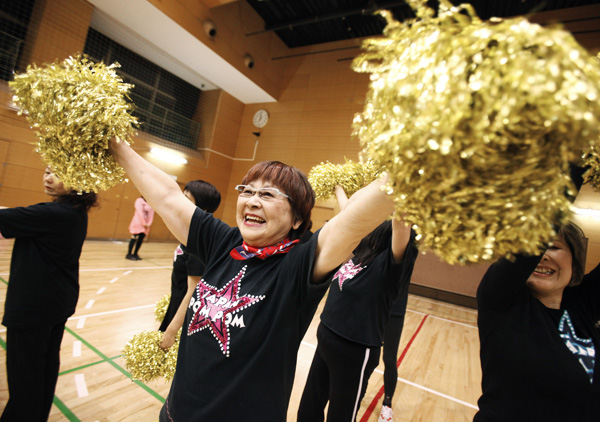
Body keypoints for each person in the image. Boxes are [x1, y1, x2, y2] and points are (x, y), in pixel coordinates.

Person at [108, 137, 397, 421]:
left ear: (297, 220)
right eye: (247, 191)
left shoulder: (298, 266)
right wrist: (115, 144)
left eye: (268, 195)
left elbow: (353, 221)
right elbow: (168, 197)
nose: (253, 201)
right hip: (174, 414)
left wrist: (409, 163)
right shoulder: (224, 242)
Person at [297, 185, 417, 422]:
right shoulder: (363, 252)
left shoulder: (390, 264)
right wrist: (338, 187)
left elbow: (401, 224)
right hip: (326, 338)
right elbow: (351, 212)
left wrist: (402, 181)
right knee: (307, 412)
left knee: (340, 417)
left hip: (355, 351)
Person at [475, 218, 600, 421]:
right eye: (537, 248)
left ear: (575, 265)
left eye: (553, 247)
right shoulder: (502, 302)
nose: (541, 256)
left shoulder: (582, 307)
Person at [0, 166, 98, 422]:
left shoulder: (54, 213)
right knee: (43, 370)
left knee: (25, 379)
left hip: (33, 307)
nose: (48, 177)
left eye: (58, 173)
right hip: (56, 303)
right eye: (46, 171)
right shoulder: (75, 212)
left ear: (78, 179)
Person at [158, 180, 221, 349]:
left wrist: (170, 332)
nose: (180, 202)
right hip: (176, 309)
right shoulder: (187, 237)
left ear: (202, 210)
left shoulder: (198, 245)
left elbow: (194, 292)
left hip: (184, 319)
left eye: (186, 199)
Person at [378, 269, 412, 422]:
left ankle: (387, 403)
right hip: (375, 304)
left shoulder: (409, 250)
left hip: (395, 310)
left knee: (389, 358)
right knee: (365, 350)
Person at [126, 196, 154, 260]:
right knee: (134, 238)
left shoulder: (151, 203)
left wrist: (149, 223)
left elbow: (152, 214)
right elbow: (139, 212)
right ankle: (129, 254)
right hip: (138, 223)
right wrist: (143, 223)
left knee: (140, 239)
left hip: (146, 225)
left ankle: (135, 254)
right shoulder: (139, 200)